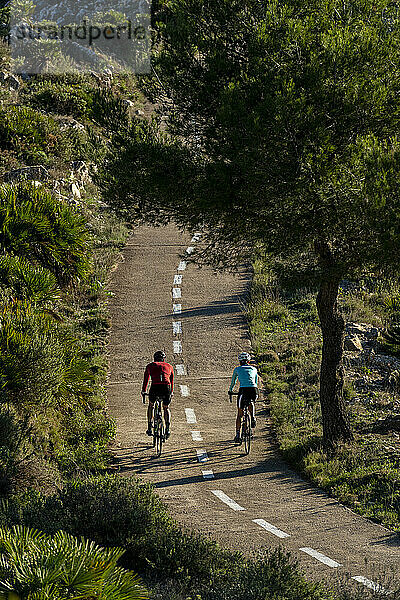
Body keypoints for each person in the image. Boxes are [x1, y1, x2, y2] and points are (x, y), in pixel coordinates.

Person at [142, 350, 174, 439]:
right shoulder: (169, 366)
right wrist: (171, 392)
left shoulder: (150, 366)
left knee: (151, 405)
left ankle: (149, 426)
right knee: (166, 407)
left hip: (155, 387)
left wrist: (143, 391)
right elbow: (171, 381)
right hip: (166, 388)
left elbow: (146, 380)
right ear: (163, 359)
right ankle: (167, 429)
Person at [229, 352, 258, 444]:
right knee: (251, 402)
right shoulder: (254, 369)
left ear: (240, 361)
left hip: (243, 390)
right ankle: (253, 417)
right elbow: (255, 381)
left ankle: (238, 435)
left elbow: (233, 382)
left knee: (240, 414)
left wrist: (230, 390)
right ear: (248, 361)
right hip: (254, 390)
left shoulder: (237, 369)